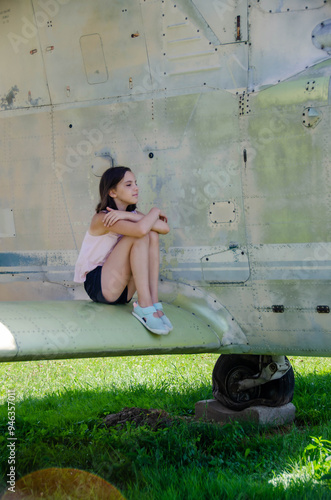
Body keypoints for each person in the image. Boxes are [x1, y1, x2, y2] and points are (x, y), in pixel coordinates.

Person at [74, 166, 173, 335]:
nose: (136, 188)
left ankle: (154, 303)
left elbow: (164, 227)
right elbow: (141, 230)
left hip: (122, 291)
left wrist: (129, 215)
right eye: (128, 185)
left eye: (135, 183)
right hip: (99, 285)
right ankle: (144, 305)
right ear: (112, 192)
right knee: (140, 235)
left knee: (153, 235)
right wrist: (155, 212)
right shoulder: (103, 218)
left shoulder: (131, 214)